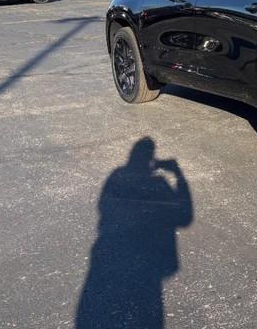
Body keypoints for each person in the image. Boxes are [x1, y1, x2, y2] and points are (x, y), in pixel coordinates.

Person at [76, 138, 193, 329]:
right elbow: (184, 217)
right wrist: (177, 173)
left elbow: (104, 207)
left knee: (111, 308)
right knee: (144, 311)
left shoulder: (117, 175)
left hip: (110, 252)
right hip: (149, 260)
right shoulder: (158, 182)